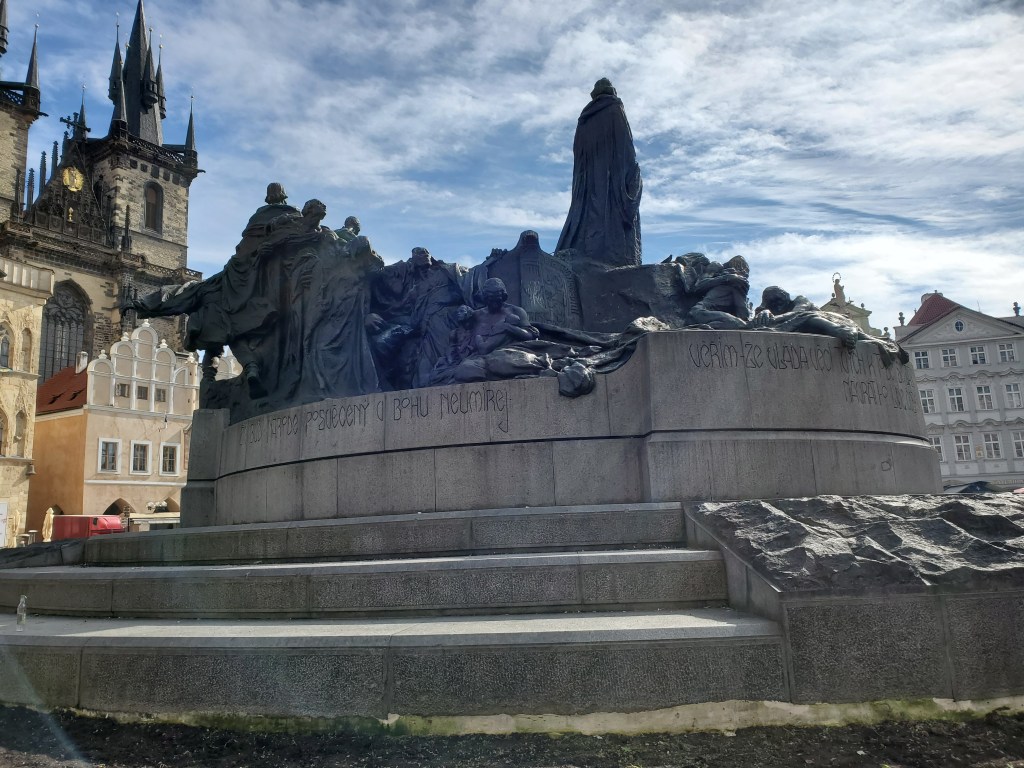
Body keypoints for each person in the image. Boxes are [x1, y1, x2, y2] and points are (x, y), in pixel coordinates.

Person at [556, 78, 643, 269]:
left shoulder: (584, 120)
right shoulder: (615, 109)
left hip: (587, 186)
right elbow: (626, 150)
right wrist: (631, 180)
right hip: (612, 181)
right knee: (610, 219)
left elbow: (578, 154)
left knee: (588, 216)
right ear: (612, 91)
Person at [371, 246, 487, 388]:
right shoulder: (415, 288)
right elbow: (405, 311)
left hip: (446, 318)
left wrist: (491, 260)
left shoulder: (445, 271)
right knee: (423, 366)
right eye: (420, 265)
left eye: (426, 261)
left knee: (443, 357)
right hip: (426, 325)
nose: (424, 269)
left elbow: (471, 277)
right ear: (413, 265)